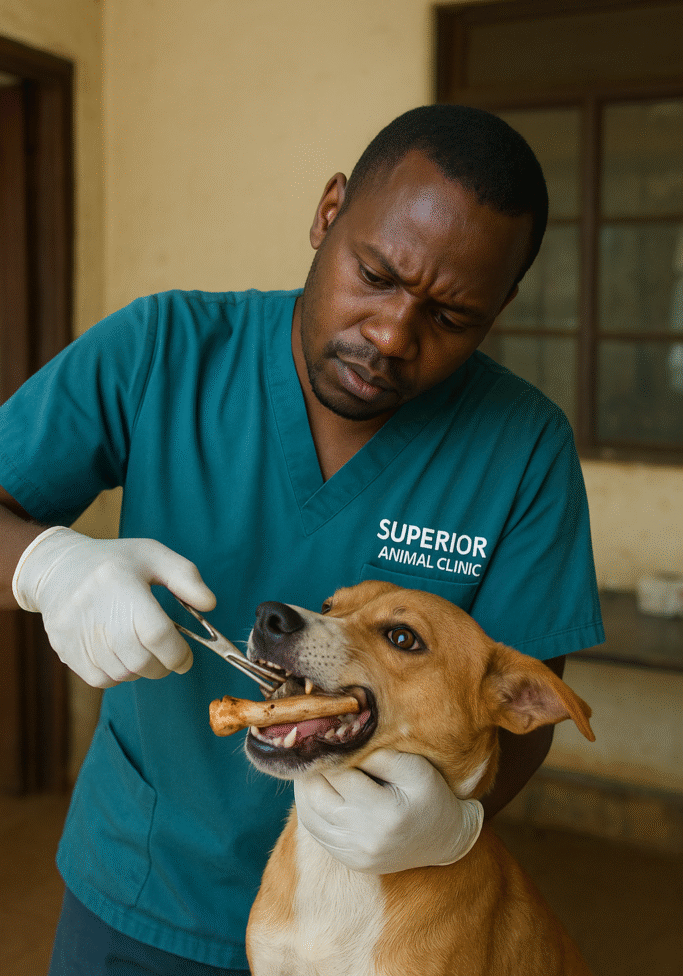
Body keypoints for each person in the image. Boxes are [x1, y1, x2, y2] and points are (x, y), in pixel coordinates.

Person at [0, 104, 604, 975]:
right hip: (150, 890)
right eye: (375, 274)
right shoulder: (163, 348)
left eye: (452, 315)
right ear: (328, 215)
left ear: (500, 306)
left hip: (393, 917)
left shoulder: (522, 446)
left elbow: (525, 694)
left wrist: (449, 824)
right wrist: (44, 565)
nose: (392, 334)